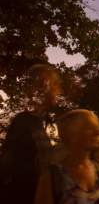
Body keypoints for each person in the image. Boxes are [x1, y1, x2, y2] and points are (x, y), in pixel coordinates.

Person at [0, 64, 61, 204]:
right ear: (42, 87)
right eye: (54, 84)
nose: (58, 90)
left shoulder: (39, 123)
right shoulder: (24, 122)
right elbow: (8, 163)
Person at [34, 109, 99, 204]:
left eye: (97, 128)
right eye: (89, 128)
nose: (97, 133)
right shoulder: (52, 177)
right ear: (72, 135)